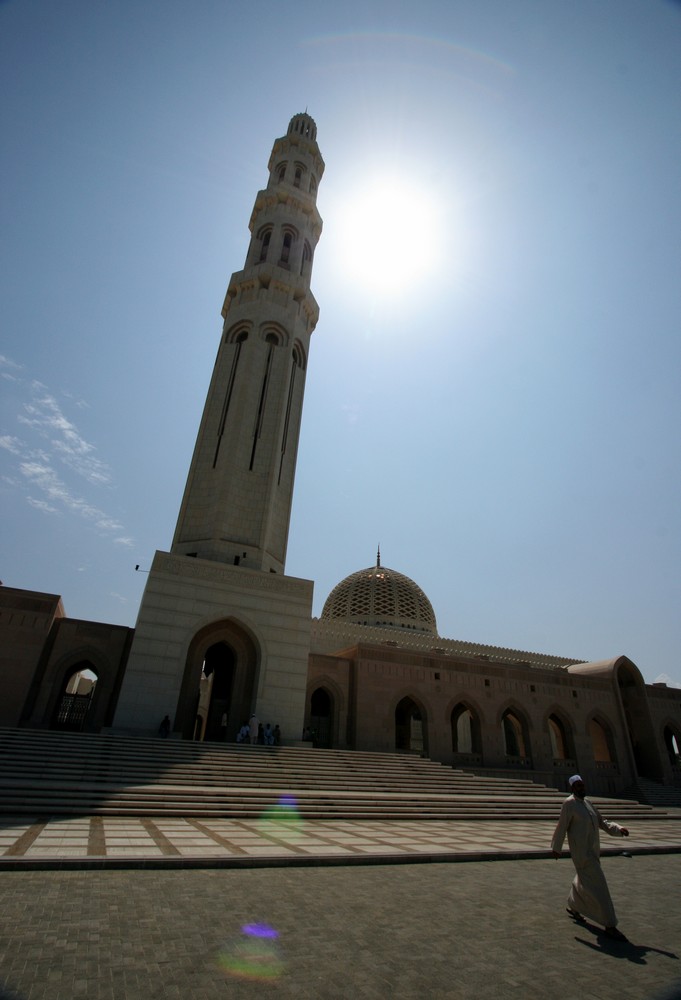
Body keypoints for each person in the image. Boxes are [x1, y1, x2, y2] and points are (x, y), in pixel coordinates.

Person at [551, 774, 630, 941]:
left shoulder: (587, 803)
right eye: (578, 786)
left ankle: (573, 906)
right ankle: (610, 924)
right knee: (600, 888)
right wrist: (556, 848)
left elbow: (602, 822)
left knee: (582, 881)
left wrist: (618, 828)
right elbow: (562, 826)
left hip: (592, 852)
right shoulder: (569, 804)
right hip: (582, 854)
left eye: (582, 785)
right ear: (572, 788)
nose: (582, 788)